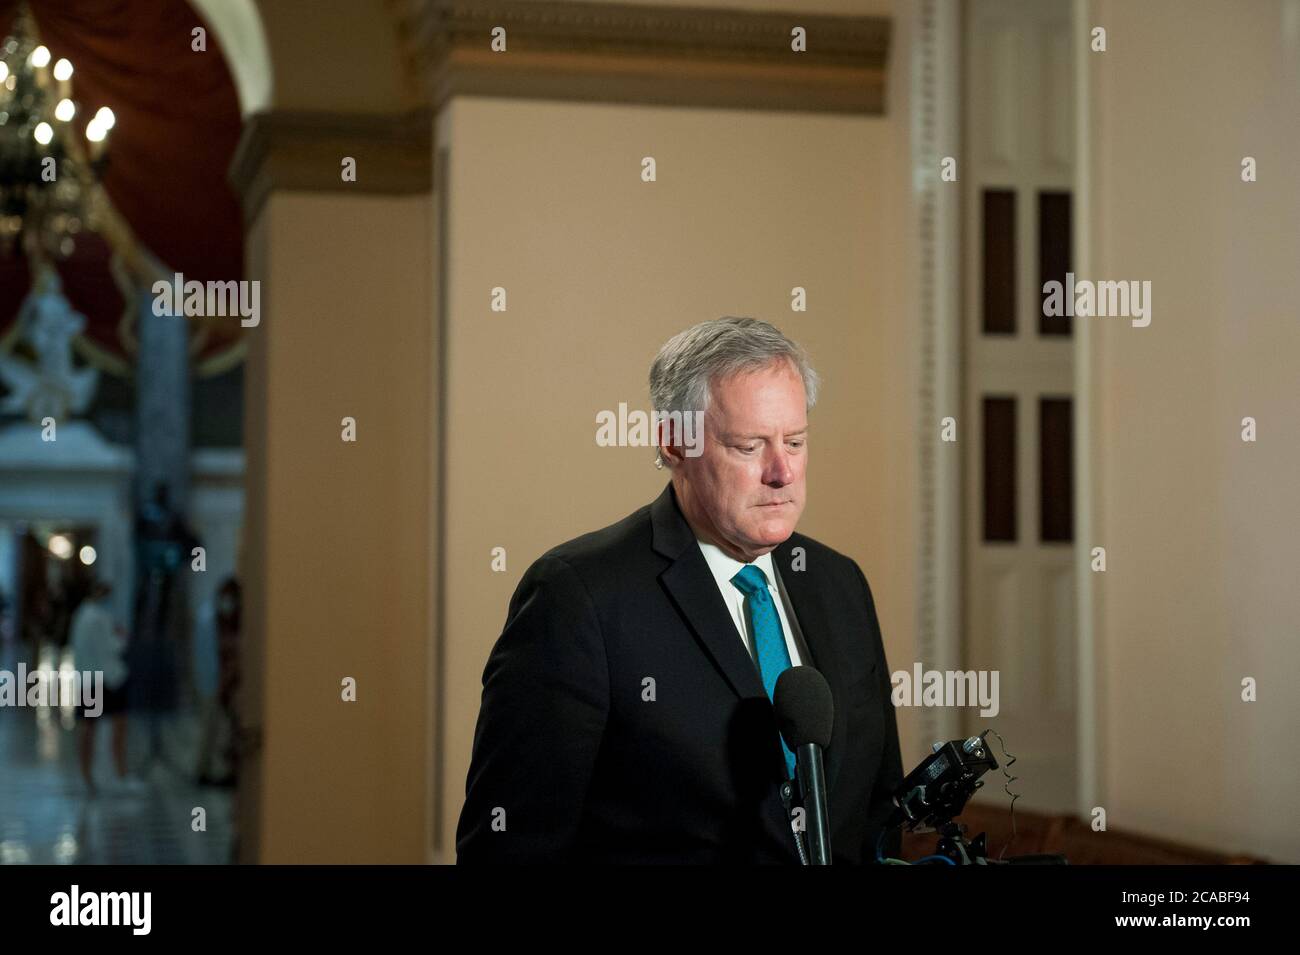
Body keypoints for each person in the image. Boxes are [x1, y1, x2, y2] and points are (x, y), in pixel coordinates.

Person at [456, 316, 904, 863]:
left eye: (794, 441)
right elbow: (508, 848)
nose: (782, 472)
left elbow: (879, 816)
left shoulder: (840, 584)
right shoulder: (578, 597)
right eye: (748, 446)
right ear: (674, 445)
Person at [69, 580, 139, 796]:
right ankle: (119, 773)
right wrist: (122, 636)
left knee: (89, 729)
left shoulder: (81, 615)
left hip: (88, 679)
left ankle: (87, 775)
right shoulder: (99, 618)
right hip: (107, 680)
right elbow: (111, 647)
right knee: (117, 726)